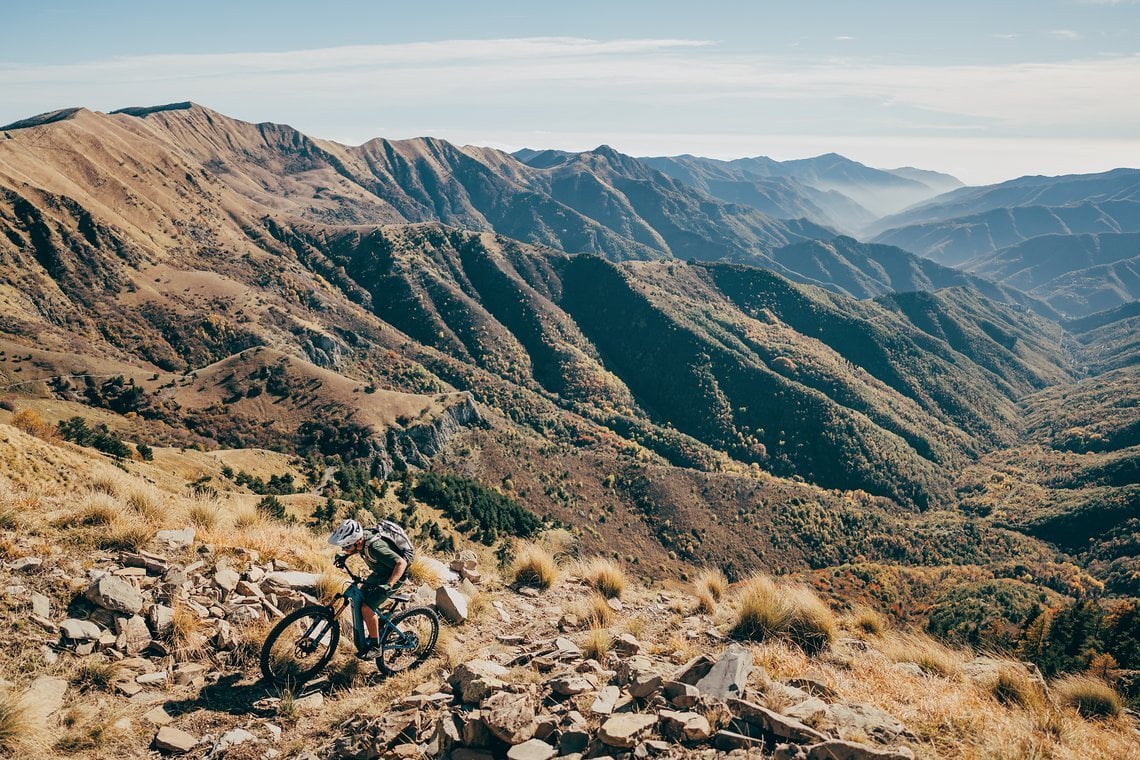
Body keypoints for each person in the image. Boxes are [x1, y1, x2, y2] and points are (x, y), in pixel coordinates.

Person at [328, 518, 409, 658]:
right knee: (361, 599)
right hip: (382, 571)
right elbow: (359, 548)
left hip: (395, 574)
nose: (344, 549)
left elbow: (401, 564)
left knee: (366, 608)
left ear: (356, 541)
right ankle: (378, 626)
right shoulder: (362, 540)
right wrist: (345, 555)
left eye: (346, 546)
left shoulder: (375, 548)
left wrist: (389, 585)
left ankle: (376, 647)